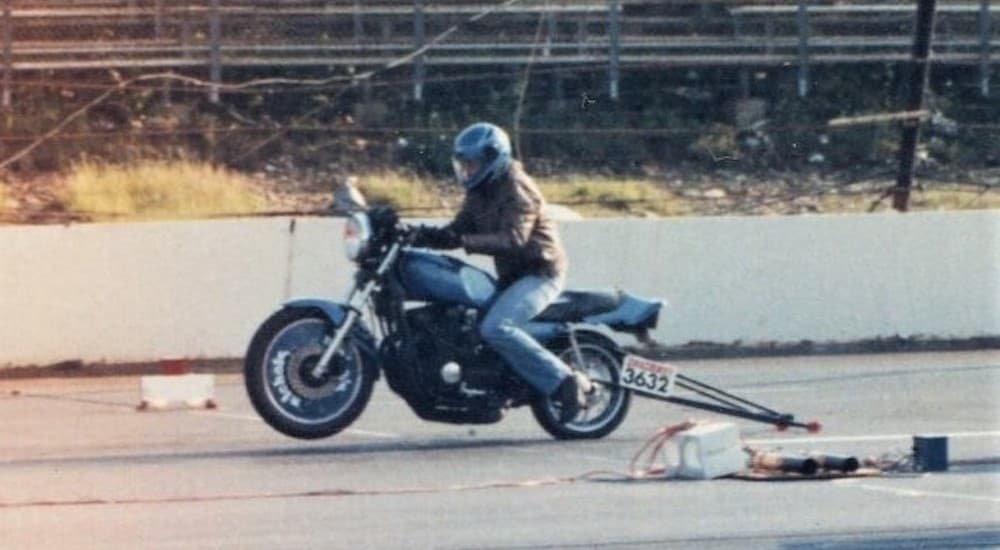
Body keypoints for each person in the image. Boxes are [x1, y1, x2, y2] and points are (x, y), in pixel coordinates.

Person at [414, 122, 591, 423]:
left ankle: (564, 381)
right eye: (463, 164)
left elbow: (514, 239)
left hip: (540, 273)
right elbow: (459, 229)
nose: (467, 170)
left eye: (472, 163)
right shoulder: (480, 190)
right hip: (514, 276)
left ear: (492, 158)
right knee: (469, 324)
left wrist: (464, 241)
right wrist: (419, 235)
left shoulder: (517, 187)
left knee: (497, 327)